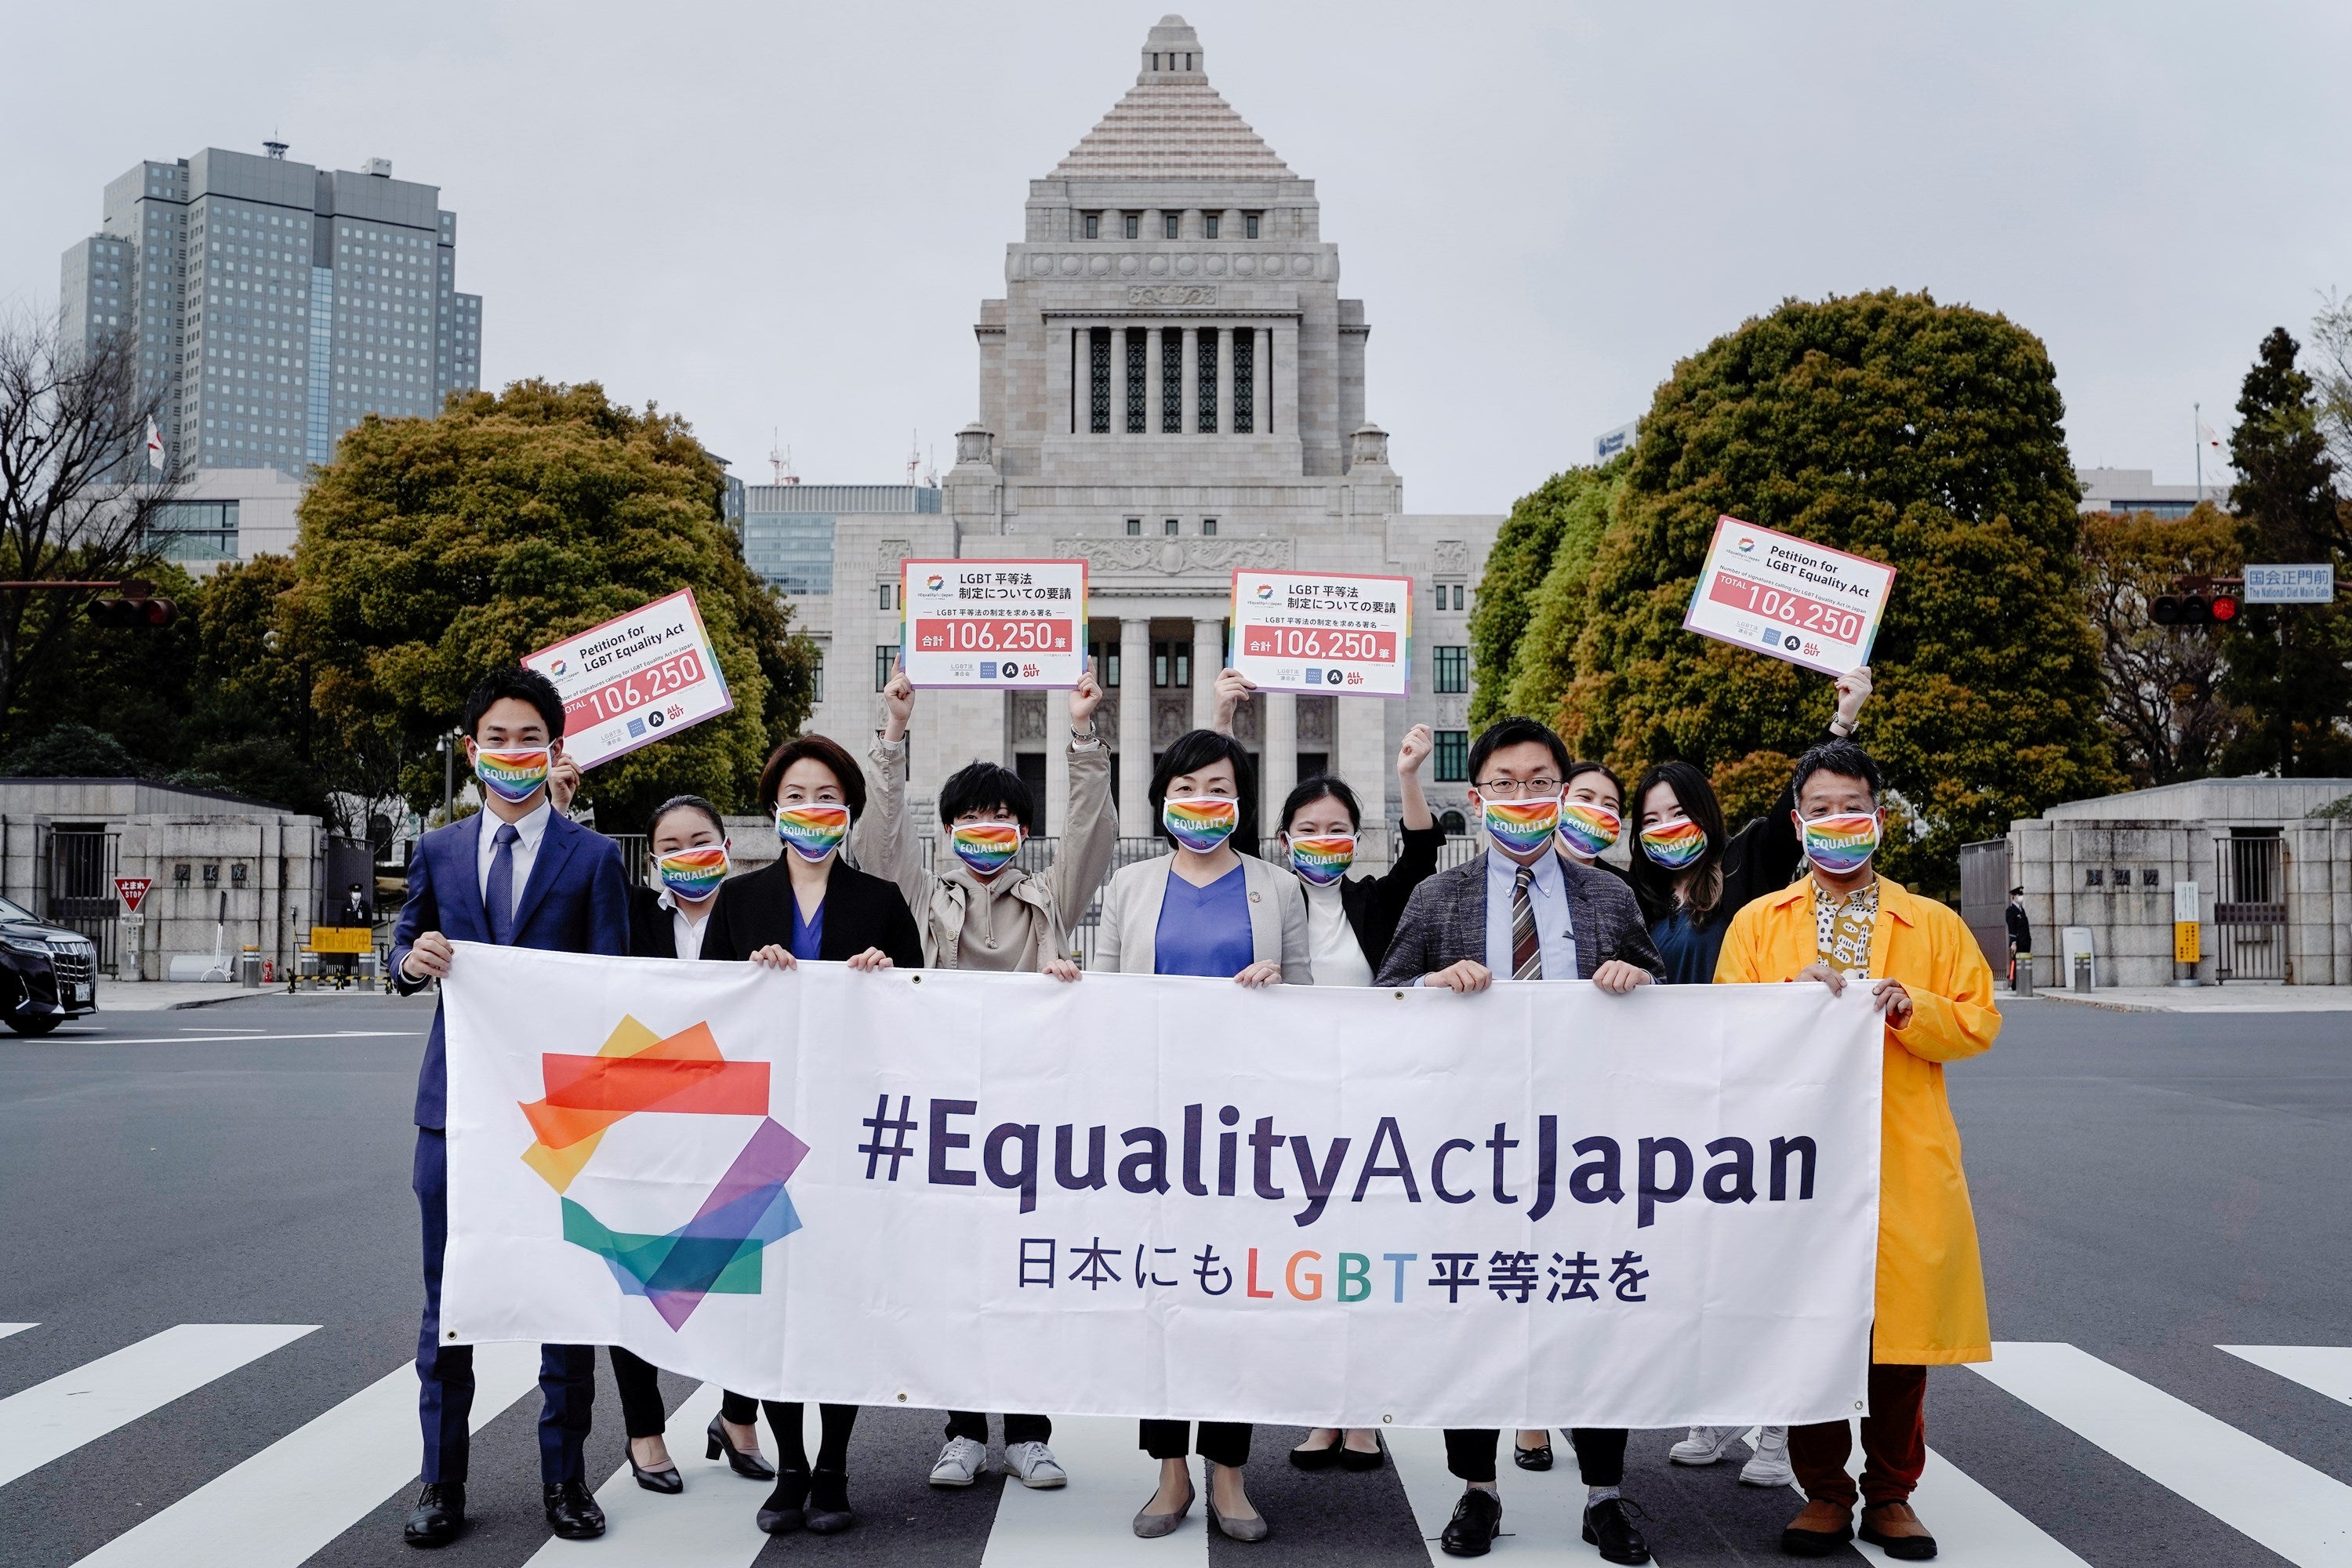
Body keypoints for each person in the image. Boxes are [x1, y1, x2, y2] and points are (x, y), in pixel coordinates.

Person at [1373, 717, 1664, 1566]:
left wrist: (1637, 978)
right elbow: (1384, 1002)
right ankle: (1477, 1487)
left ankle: (1604, 1494)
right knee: (1475, 1317)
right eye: (1505, 782)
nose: (1523, 796)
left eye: (1541, 781)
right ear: (1478, 797)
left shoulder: (1609, 895)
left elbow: (1669, 1013)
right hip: (1471, 1154)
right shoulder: (1439, 899)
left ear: (1563, 793)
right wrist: (1430, 983)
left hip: (1586, 1155)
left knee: (1594, 1315)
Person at [1715, 739, 1999, 1562]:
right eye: (1823, 808)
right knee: (1812, 1327)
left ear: (1878, 815)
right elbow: (1725, 1034)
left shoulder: (1933, 923)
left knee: (1898, 1339)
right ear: (1798, 823)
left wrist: (1914, 1006)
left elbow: (1978, 1021)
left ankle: (1891, 1494)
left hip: (1902, 1155)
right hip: (1800, 1161)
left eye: (1854, 805)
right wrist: (1785, 1006)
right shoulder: (1758, 924)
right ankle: (1825, 1493)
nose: (1840, 821)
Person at [855, 660, 1114, 1491]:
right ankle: (964, 1427)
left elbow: (1092, 833)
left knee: (1028, 1266)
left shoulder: (1050, 899)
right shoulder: (925, 897)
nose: (987, 827)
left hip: (1033, 1113)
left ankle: (1029, 1431)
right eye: (972, 815)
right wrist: (892, 737)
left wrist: (1080, 735)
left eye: (1002, 814)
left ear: (1021, 828)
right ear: (954, 826)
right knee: (956, 1272)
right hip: (946, 1113)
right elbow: (880, 841)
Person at [390, 666, 630, 1548]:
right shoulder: (440, 850)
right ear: (472, 749)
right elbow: (402, 952)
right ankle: (441, 1481)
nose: (514, 753)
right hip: (453, 1112)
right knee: (444, 1300)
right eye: (499, 738)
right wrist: (413, 961)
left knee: (564, 1297)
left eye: (531, 738)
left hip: (562, 1117)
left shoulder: (595, 858)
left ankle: (564, 1479)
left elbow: (612, 991)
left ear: (554, 750)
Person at [701, 733, 925, 1537]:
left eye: (826, 793)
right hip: (761, 1129)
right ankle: (789, 1464)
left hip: (850, 1130)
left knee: (839, 1301)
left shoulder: (881, 902)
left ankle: (833, 1464)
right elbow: (710, 1021)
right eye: (796, 793)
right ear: (774, 806)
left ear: (850, 809)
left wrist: (883, 981)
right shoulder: (738, 901)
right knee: (775, 1305)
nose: (811, 808)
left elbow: (920, 1012)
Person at [1095, 728, 1308, 1544]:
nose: (1202, 800)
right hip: (1152, 1127)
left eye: (1218, 784)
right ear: (1164, 796)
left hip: (1244, 1130)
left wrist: (1279, 986)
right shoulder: (1130, 884)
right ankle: (1169, 1469)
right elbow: (1106, 1003)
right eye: (1187, 785)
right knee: (1160, 1297)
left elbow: (1312, 1008)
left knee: (1234, 1299)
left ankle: (1229, 1471)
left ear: (1242, 795)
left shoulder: (1274, 887)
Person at [587, 794, 784, 1496]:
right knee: (637, 1273)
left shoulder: (758, 912)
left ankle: (736, 1416)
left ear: (727, 844)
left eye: (700, 838)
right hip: (643, 1125)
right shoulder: (632, 915)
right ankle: (644, 1431)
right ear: (653, 857)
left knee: (748, 1269)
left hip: (735, 1121)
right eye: (669, 844)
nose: (686, 853)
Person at [1261, 717, 1443, 1469]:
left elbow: (1424, 856)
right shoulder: (1260, 903)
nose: (1325, 840)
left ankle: (1363, 1413)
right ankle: (1320, 1414)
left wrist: (1408, 776)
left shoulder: (1374, 902)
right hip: (1290, 1109)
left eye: (1339, 829)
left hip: (1372, 1110)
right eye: (1310, 829)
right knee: (1302, 1265)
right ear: (1282, 840)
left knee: (1366, 1264)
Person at [1627, 668, 1872, 989]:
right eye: (1652, 821)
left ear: (1704, 812)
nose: (1667, 828)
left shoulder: (1744, 862)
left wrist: (1842, 721)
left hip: (1736, 1030)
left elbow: (1797, 800)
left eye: (1678, 813)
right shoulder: (1635, 893)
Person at [2005, 886, 2032, 985]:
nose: (2021, 897)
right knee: (2017, 963)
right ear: (2013, 897)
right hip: (2018, 942)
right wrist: (2013, 942)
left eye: (2021, 895)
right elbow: (2012, 927)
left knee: (2024, 963)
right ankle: (2015, 984)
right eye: (2018, 895)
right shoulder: (2011, 911)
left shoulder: (2022, 910)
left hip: (2025, 941)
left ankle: (2023, 983)